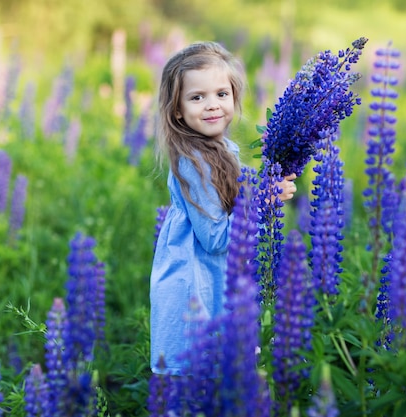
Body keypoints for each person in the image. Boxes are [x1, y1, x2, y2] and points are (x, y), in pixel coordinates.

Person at [150, 41, 297, 374]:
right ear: (177, 109)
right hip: (195, 287)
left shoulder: (222, 148)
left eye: (221, 94)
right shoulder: (194, 163)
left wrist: (267, 188)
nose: (212, 105)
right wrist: (264, 201)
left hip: (217, 278)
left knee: (221, 373)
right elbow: (215, 238)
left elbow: (234, 205)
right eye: (197, 97)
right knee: (202, 375)